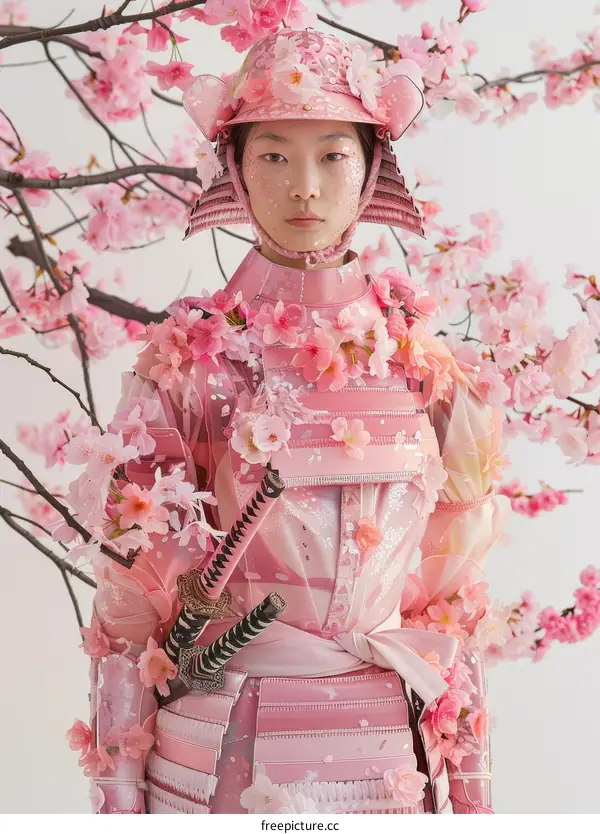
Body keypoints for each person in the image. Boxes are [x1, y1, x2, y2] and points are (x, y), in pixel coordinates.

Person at [76, 28, 508, 814]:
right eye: (274, 154)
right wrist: (116, 801)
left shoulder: (431, 370)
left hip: (388, 757)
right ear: (234, 169)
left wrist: (475, 796)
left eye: (332, 155)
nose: (304, 186)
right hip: (215, 757)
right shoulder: (186, 362)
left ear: (373, 166)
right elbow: (128, 608)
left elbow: (453, 604)